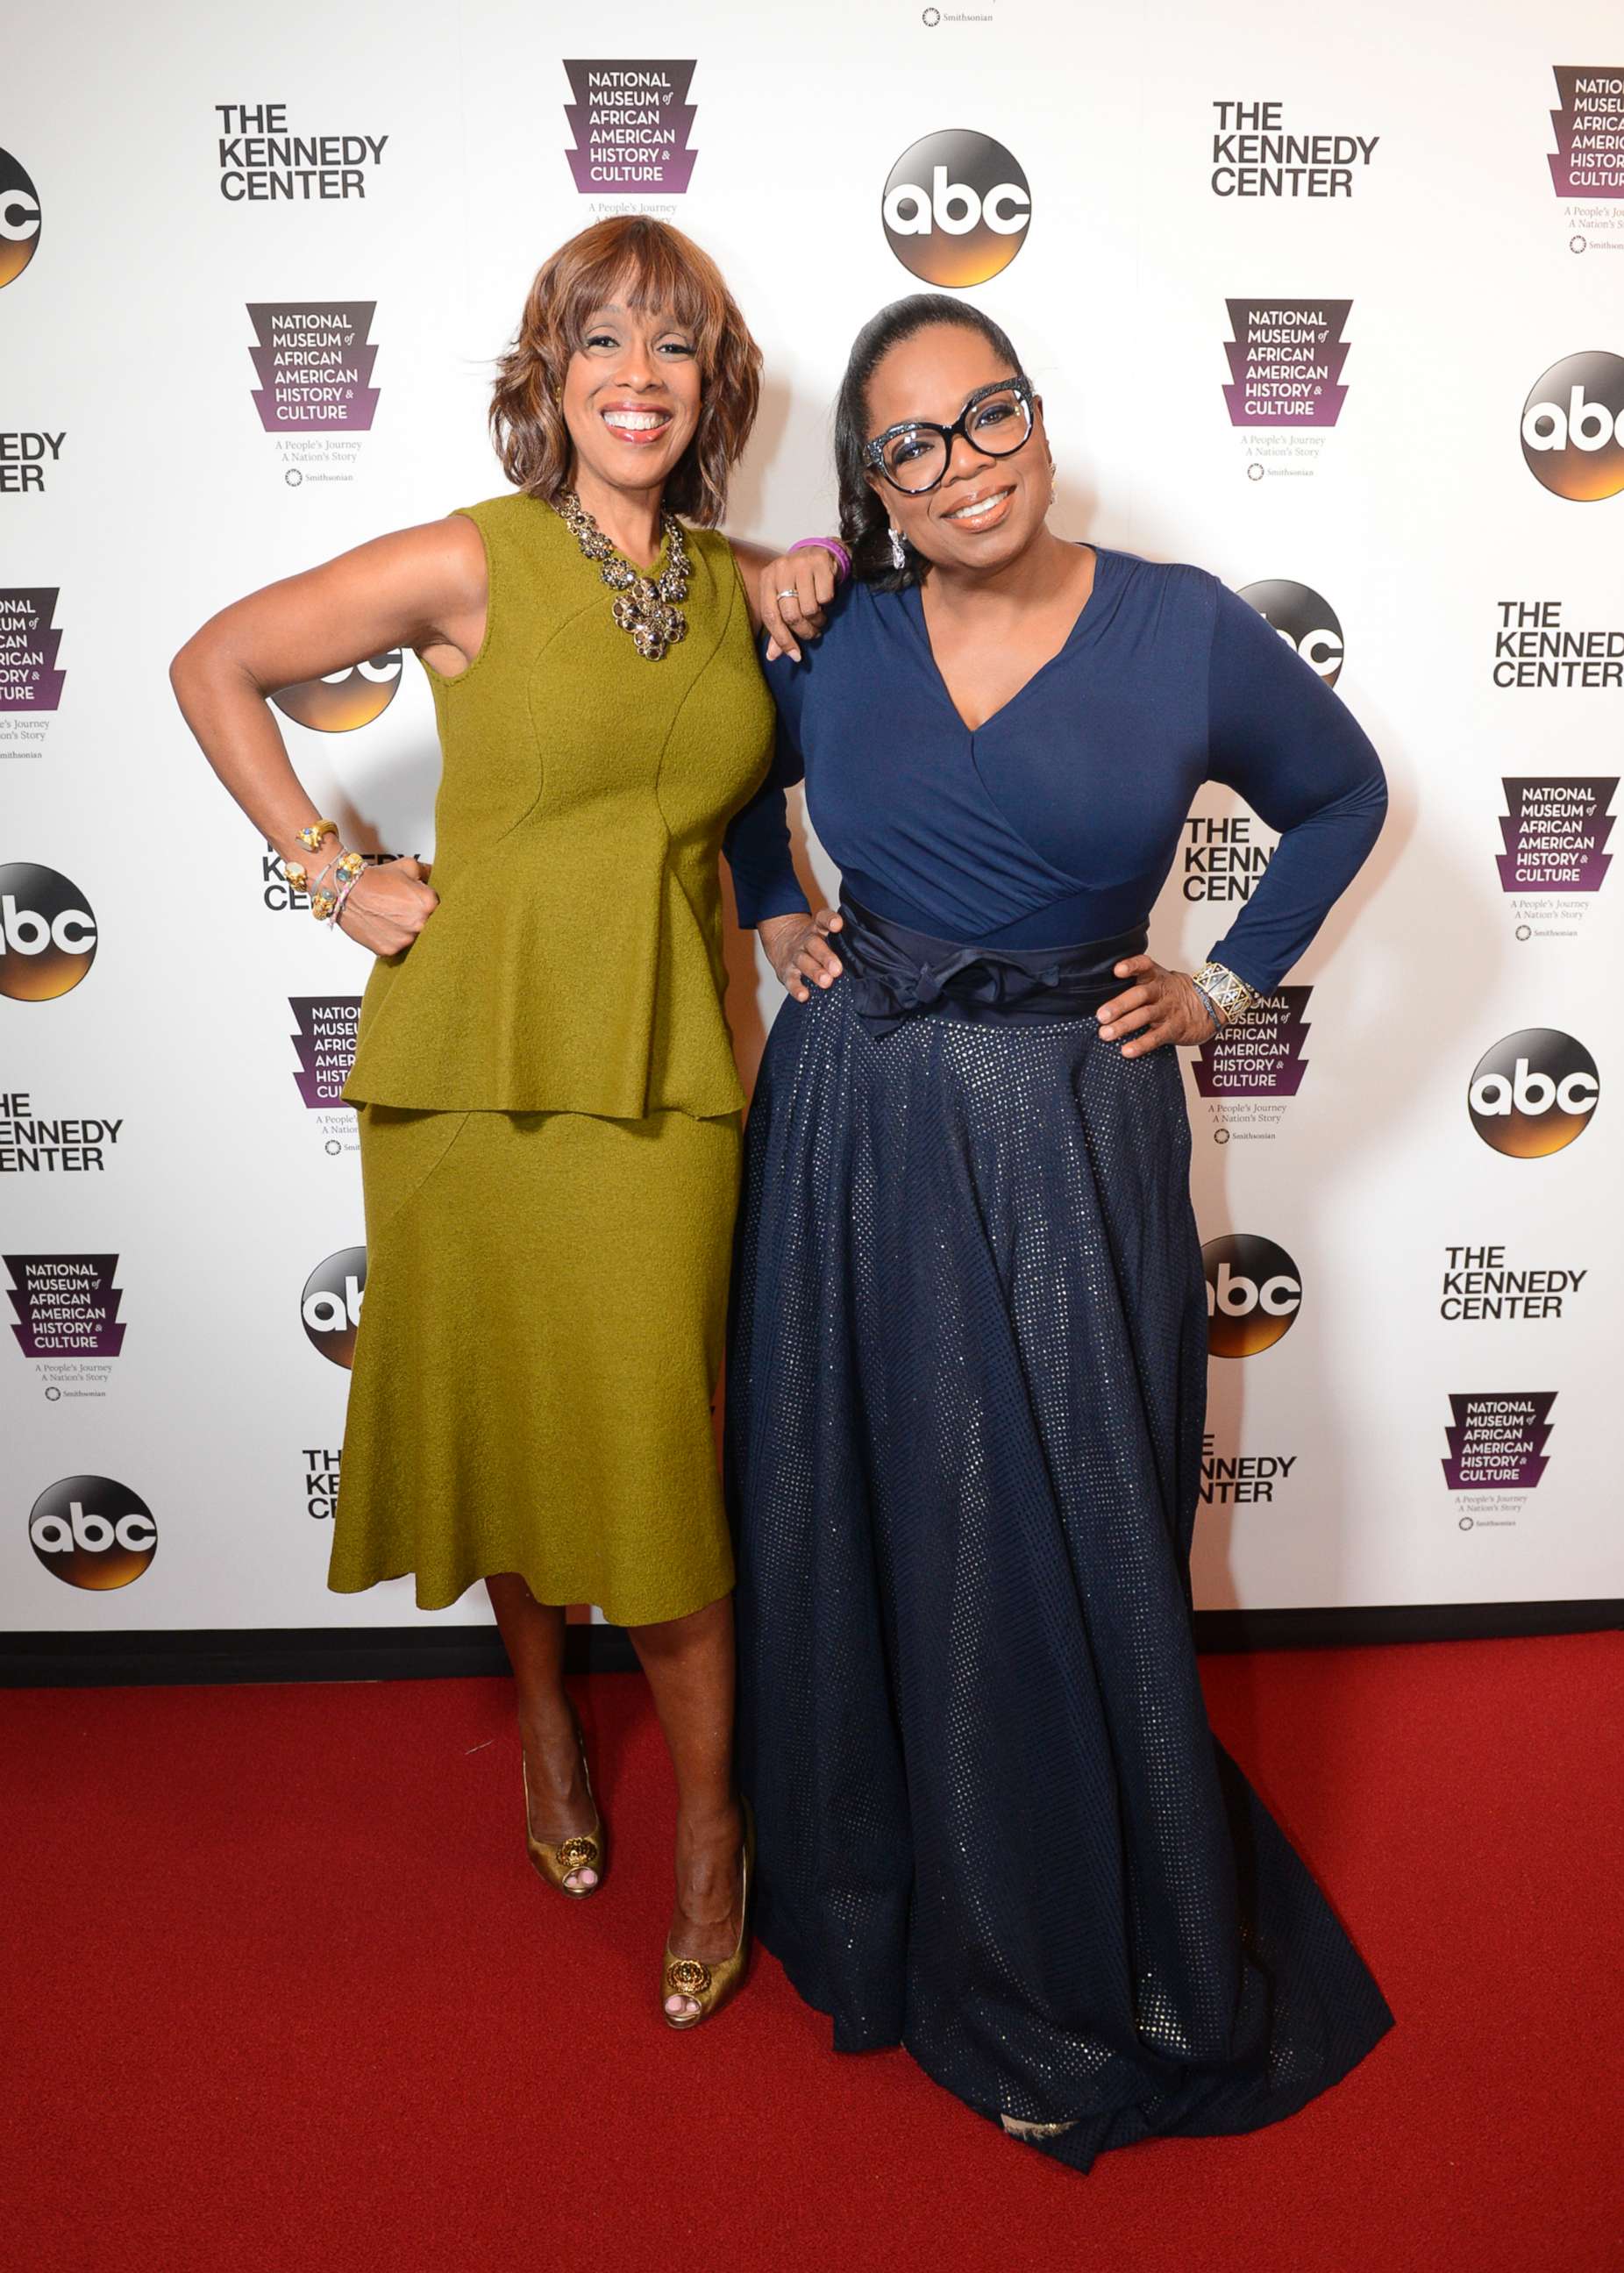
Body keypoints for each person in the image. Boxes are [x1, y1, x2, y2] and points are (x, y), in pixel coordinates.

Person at [723, 293, 1395, 2165]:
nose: (962, 461)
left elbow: (1338, 797)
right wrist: (778, 899)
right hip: (855, 1111)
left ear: (1035, 410)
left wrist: (1233, 983)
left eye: (984, 412)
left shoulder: (1178, 625)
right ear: (868, 485)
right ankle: (874, 1881)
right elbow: (724, 794)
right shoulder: (828, 628)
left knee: (1065, 1508)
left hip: (1072, 1122)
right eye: (910, 442)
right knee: (859, 1499)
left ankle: (1069, 1887)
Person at [171, 217, 823, 2030]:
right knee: (518, 1420)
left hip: (664, 1074)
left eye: (672, 347)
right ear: (547, 374)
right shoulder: (469, 561)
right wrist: (331, 872)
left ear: (712, 388)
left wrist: (793, 565)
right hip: (465, 1070)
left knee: (658, 1453)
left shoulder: (735, 584)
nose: (635, 373)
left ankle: (710, 1830)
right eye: (599, 339)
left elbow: (731, 790)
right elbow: (212, 661)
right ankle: (543, 1720)